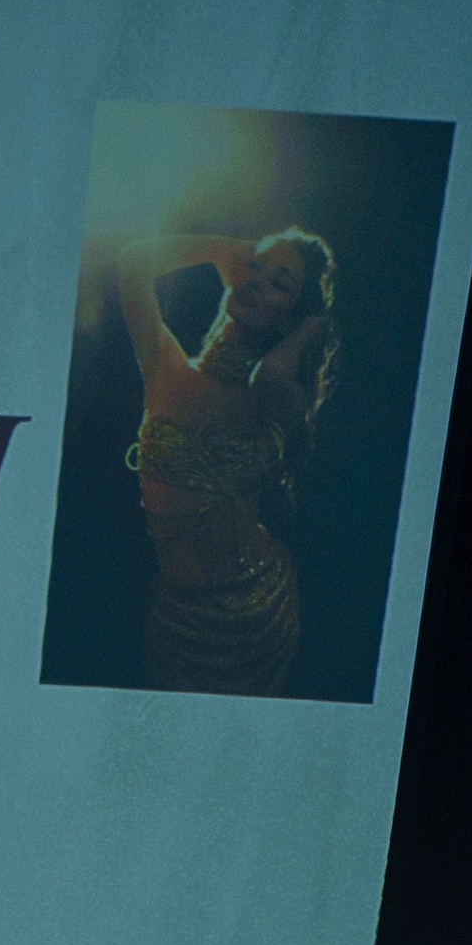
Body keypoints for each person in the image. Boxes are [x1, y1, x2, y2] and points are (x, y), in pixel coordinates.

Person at [115, 223, 338, 695]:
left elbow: (269, 375)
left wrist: (306, 331)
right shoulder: (168, 368)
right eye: (254, 268)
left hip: (256, 612)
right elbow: (133, 262)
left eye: (279, 283)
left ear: (292, 320)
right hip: (174, 613)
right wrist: (222, 248)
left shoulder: (279, 397)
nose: (256, 281)